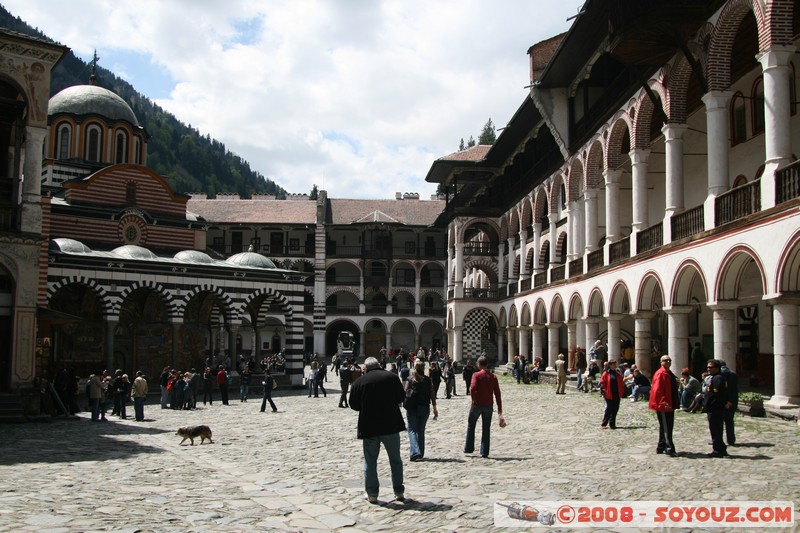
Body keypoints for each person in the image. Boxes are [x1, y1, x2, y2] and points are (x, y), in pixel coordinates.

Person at [349, 357, 406, 504]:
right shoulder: (392, 378)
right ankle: (399, 492)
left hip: (369, 427)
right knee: (395, 460)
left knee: (370, 461)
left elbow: (354, 405)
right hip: (391, 425)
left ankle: (372, 494)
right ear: (379, 365)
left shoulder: (359, 382)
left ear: (365, 368)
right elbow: (401, 397)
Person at [464, 356, 503, 458]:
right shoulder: (493, 377)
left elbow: (472, 388)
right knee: (486, 428)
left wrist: (473, 399)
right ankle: (484, 451)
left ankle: (469, 448)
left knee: (471, 425)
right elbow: (498, 394)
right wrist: (499, 410)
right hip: (488, 405)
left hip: (477, 404)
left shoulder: (476, 375)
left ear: (478, 365)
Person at [404, 361, 438, 461]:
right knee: (421, 430)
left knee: (412, 430)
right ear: (424, 368)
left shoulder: (410, 379)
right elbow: (432, 394)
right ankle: (420, 453)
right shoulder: (427, 380)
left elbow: (405, 392)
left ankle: (415, 452)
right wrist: (435, 407)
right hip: (424, 408)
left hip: (412, 408)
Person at [649, 354, 679, 456]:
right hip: (664, 405)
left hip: (670, 403)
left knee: (665, 426)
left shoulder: (668, 373)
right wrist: (663, 402)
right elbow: (657, 390)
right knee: (667, 427)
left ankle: (661, 446)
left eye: (669, 360)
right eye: (665, 360)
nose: (668, 362)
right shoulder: (661, 373)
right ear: (661, 362)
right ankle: (669, 448)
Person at [704, 359, 731, 457]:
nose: (708, 369)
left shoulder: (718, 378)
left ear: (717, 368)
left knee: (716, 430)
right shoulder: (713, 377)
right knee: (715, 429)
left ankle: (717, 450)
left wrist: (724, 403)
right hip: (712, 408)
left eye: (711, 367)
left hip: (715, 408)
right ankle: (721, 448)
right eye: (707, 367)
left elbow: (720, 393)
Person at [600, 360, 624, 429]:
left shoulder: (617, 373)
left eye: (615, 364)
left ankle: (612, 424)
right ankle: (604, 423)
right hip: (609, 394)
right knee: (609, 408)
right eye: (613, 364)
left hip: (617, 393)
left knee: (615, 409)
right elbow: (603, 383)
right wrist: (605, 391)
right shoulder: (606, 373)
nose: (614, 365)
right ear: (610, 365)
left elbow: (621, 383)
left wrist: (621, 392)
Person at [720, 361, 738, 446]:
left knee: (719, 422)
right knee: (729, 421)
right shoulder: (733, 374)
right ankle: (731, 439)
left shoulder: (720, 374)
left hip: (723, 400)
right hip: (733, 400)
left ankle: (718, 440)